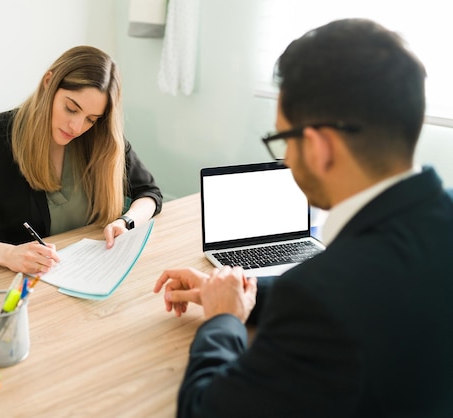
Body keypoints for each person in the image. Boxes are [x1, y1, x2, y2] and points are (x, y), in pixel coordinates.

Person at [154, 19, 453, 417]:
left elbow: (204, 411)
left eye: (282, 140)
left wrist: (223, 319)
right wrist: (240, 290)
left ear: (317, 146)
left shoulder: (320, 299)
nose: (285, 159)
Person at [0, 46, 163, 275]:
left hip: (78, 273)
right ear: (48, 82)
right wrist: (7, 254)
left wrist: (126, 222)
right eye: (71, 108)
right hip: (8, 279)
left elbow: (150, 193)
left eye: (91, 119)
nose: (77, 127)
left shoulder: (99, 138)